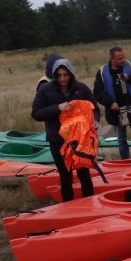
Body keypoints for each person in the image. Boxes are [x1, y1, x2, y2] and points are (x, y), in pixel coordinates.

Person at [31, 58, 100, 201]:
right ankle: (68, 205)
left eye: (66, 75)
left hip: (79, 138)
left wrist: (95, 121)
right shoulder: (45, 90)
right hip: (57, 138)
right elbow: (36, 113)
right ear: (55, 75)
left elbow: (95, 108)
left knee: (83, 171)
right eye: (59, 75)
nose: (63, 78)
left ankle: (90, 202)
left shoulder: (81, 88)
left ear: (71, 74)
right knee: (65, 173)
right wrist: (57, 108)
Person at [93, 46, 131, 161]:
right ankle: (125, 163)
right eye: (119, 59)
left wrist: (129, 78)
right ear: (112, 59)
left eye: (124, 57)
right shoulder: (102, 72)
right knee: (121, 141)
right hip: (116, 112)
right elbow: (97, 93)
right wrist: (110, 103)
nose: (123, 60)